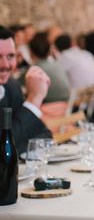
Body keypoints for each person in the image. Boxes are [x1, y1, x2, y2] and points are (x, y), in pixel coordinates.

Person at [0, 26, 52, 154]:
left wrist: (16, 144)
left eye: (10, 56)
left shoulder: (11, 86)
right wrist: (33, 100)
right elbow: (3, 149)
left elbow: (44, 135)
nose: (6, 65)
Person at [28, 31, 71, 104]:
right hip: (66, 106)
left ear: (31, 52)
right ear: (49, 51)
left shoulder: (34, 70)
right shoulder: (57, 65)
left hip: (47, 108)